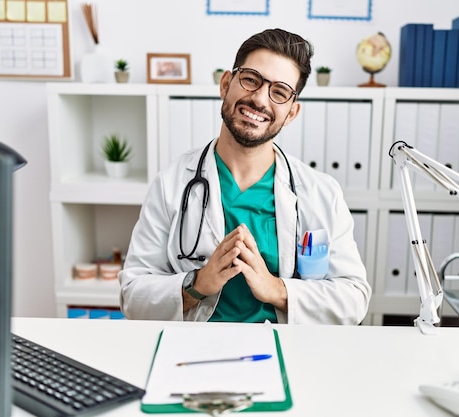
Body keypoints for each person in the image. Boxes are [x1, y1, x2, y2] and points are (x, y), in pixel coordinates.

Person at [119, 28, 371, 325]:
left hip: (284, 352)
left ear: (291, 113)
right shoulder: (171, 185)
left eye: (279, 92)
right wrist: (197, 285)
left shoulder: (321, 193)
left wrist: (277, 289)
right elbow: (132, 296)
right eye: (251, 80)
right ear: (226, 84)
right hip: (193, 351)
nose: (260, 100)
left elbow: (353, 298)